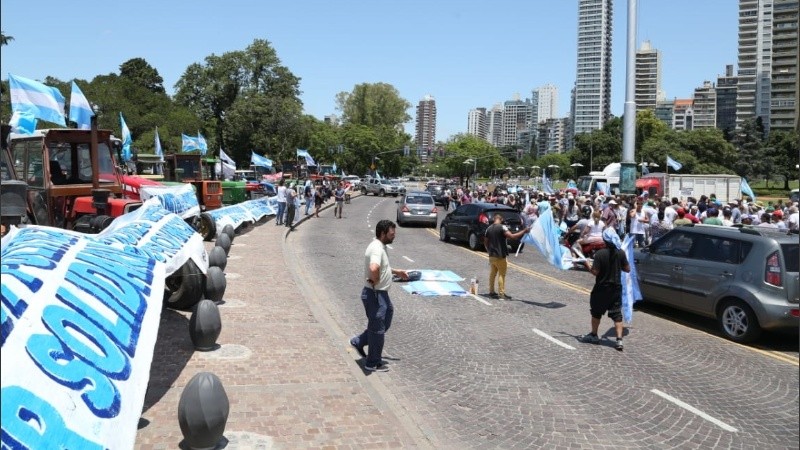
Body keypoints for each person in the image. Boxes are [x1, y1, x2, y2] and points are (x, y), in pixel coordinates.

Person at [350, 220, 408, 372]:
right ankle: (372, 363)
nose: (394, 236)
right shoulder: (377, 248)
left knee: (385, 320)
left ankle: (358, 341)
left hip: (381, 294)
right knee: (378, 330)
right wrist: (375, 281)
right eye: (391, 233)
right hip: (375, 294)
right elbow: (374, 267)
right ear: (383, 233)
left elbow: (382, 267)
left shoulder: (381, 246)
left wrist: (396, 272)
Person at [580, 228, 631, 351]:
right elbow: (627, 269)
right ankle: (619, 340)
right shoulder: (621, 253)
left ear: (605, 240)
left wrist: (586, 264)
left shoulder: (600, 254)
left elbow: (595, 272)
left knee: (596, 312)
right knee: (617, 314)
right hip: (616, 288)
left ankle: (594, 335)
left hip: (602, 288)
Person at [483, 214, 531, 300]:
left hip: (492, 255)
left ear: (494, 219)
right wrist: (524, 231)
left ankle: (491, 292)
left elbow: (485, 242)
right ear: (501, 219)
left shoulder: (488, 228)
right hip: (500, 255)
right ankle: (501, 294)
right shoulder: (502, 227)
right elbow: (512, 236)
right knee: (501, 274)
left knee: (492, 274)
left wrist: (489, 250)